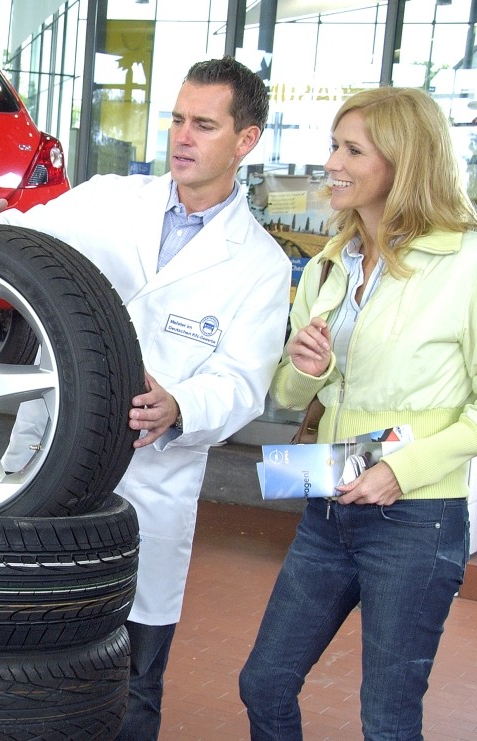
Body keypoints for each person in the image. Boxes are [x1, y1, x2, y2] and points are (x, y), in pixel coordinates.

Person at [0, 57, 292, 739]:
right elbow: (14, 237)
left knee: (132, 680)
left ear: (246, 140)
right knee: (19, 657)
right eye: (177, 119)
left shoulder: (260, 265)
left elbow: (243, 383)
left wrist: (181, 405)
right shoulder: (108, 200)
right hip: (46, 460)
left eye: (204, 124)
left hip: (150, 482)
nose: (182, 136)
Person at [239, 87, 476, 739]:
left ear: (405, 162)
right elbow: (289, 396)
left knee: (387, 719)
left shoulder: (464, 263)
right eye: (333, 146)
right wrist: (305, 366)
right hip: (329, 504)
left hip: (416, 519)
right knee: (264, 683)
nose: (332, 164)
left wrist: (403, 470)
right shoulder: (328, 265)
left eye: (352, 150)